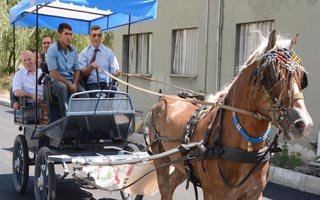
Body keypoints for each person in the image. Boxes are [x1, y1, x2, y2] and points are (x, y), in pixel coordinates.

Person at [46, 23, 88, 117]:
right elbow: (53, 73)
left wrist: (75, 84)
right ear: (59, 34)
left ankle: (84, 120)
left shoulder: (73, 49)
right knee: (63, 88)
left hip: (71, 81)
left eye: (70, 34)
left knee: (85, 95)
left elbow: (77, 70)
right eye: (66, 34)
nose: (69, 37)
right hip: (56, 81)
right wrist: (68, 84)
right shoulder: (52, 50)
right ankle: (66, 119)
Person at [79, 25, 121, 97]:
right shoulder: (84, 53)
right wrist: (90, 67)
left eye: (99, 35)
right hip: (91, 85)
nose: (96, 38)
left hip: (107, 84)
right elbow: (81, 74)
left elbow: (114, 72)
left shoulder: (109, 52)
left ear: (102, 37)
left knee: (117, 94)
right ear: (90, 37)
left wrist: (116, 73)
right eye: (94, 35)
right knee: (96, 97)